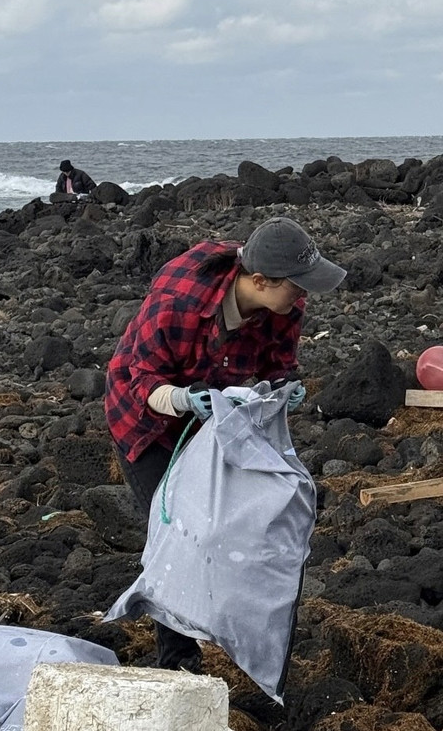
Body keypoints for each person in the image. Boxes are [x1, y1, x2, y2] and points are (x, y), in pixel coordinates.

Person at [104, 216, 346, 671]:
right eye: (296, 285)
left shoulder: (285, 307)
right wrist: (181, 399)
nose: (303, 294)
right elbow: (143, 379)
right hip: (144, 418)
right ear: (259, 280)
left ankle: (239, 633)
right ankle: (178, 660)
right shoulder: (177, 304)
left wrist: (285, 387)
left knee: (231, 522)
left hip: (212, 419)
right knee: (178, 531)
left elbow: (279, 364)